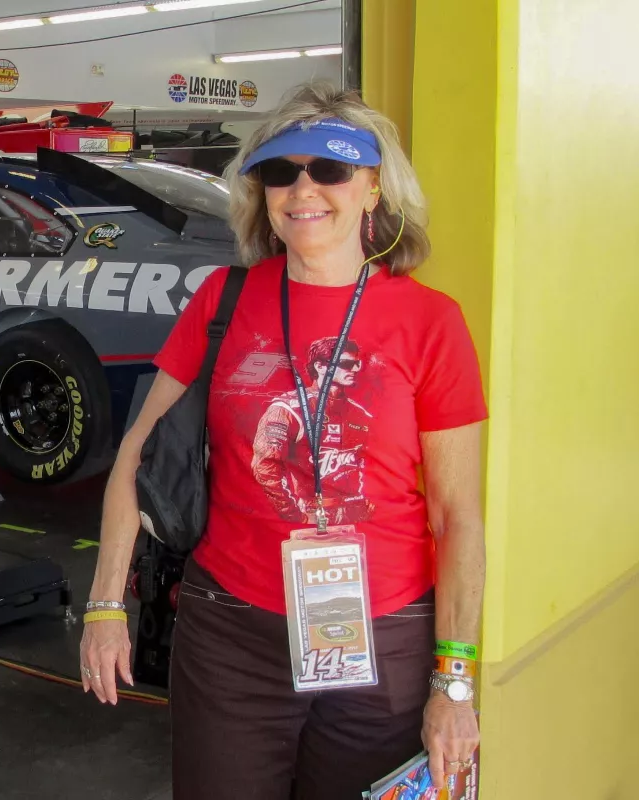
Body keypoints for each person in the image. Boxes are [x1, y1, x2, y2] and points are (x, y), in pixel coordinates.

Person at [79, 81, 487, 800]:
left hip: (382, 642)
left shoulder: (432, 324)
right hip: (232, 635)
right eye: (281, 170)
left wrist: (453, 683)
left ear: (374, 190)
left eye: (330, 169)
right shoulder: (223, 301)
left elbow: (458, 519)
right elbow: (135, 456)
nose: (305, 189)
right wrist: (105, 605)